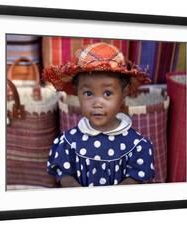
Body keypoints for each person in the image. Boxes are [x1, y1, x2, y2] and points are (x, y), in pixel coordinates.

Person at [43, 42, 155, 187]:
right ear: (77, 92)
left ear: (124, 93)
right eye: (88, 93)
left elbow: (135, 179)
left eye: (107, 93)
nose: (97, 103)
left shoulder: (136, 145)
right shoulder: (68, 142)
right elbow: (65, 176)